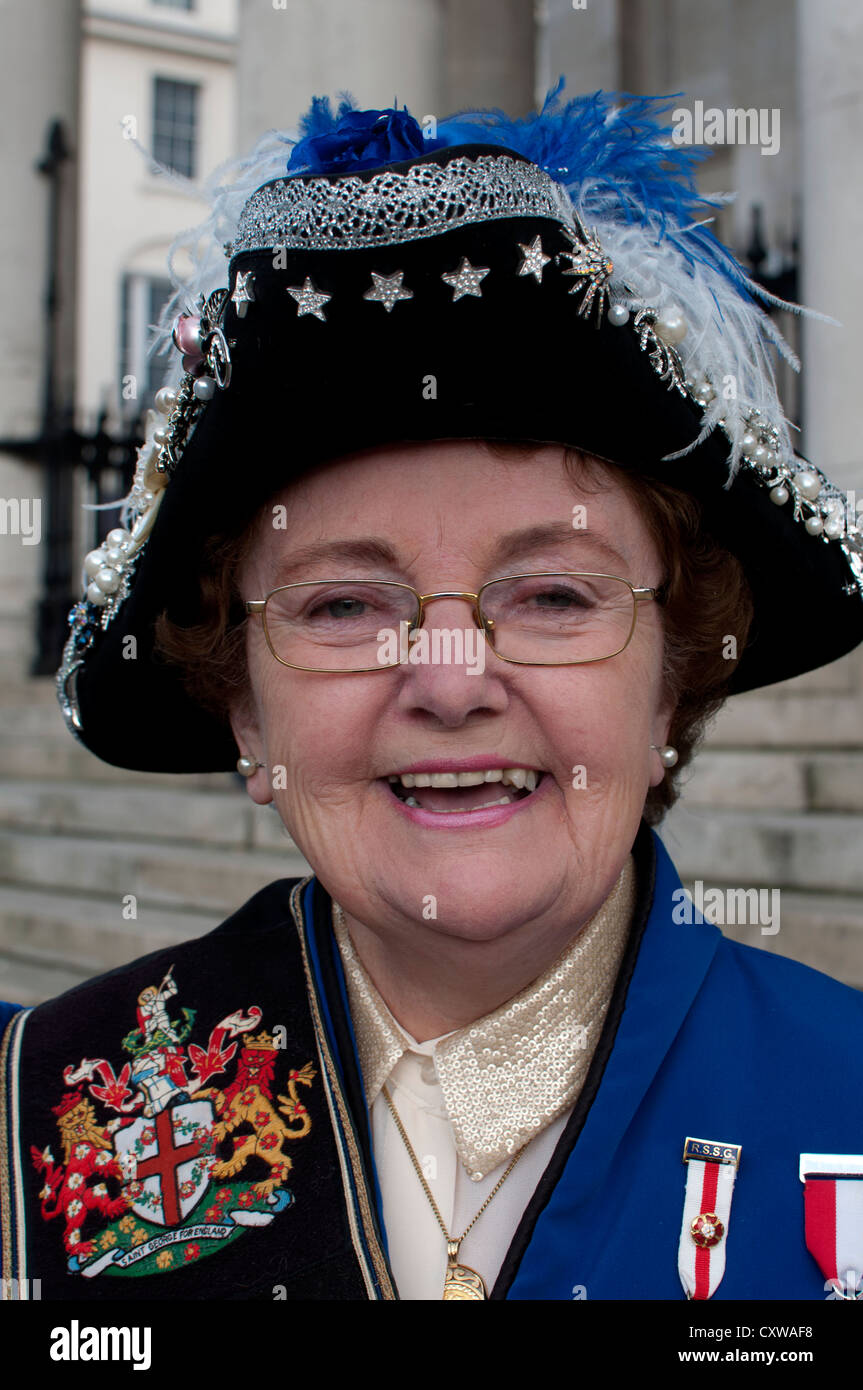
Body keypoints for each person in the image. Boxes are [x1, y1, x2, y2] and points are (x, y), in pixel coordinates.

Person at [1, 86, 862, 1303]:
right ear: (246, 713)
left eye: (553, 596)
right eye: (342, 608)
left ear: (668, 685)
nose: (451, 682)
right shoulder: (42, 1123)